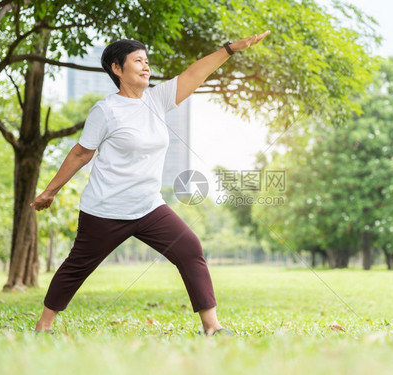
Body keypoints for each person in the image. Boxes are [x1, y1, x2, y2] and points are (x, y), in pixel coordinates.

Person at [31, 30, 271, 336]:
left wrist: (229, 49)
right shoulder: (105, 110)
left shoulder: (157, 100)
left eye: (147, 61)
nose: (146, 67)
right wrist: (50, 192)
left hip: (148, 207)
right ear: (117, 69)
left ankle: (212, 327)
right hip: (106, 209)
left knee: (189, 248)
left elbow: (194, 73)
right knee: (78, 266)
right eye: (138, 61)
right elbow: (80, 153)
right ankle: (45, 324)